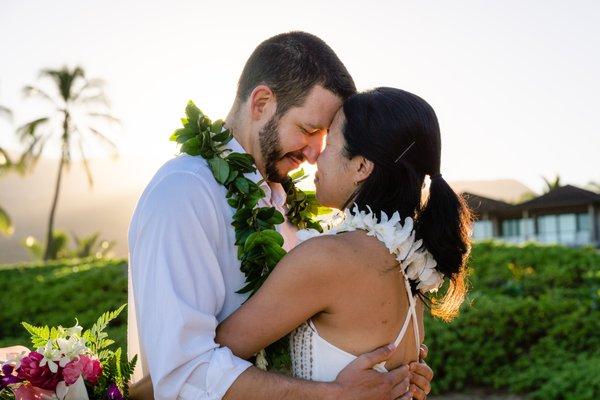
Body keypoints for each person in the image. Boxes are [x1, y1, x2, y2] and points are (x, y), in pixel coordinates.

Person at [128, 32, 434, 399]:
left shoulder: (291, 207)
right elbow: (183, 377)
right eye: (307, 130)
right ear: (261, 103)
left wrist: (390, 370)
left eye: (325, 136)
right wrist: (334, 395)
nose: (313, 154)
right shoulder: (184, 193)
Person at [216, 86, 471, 391]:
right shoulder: (409, 266)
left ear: (361, 166)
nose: (315, 159)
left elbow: (204, 361)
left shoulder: (328, 259)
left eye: (329, 144)